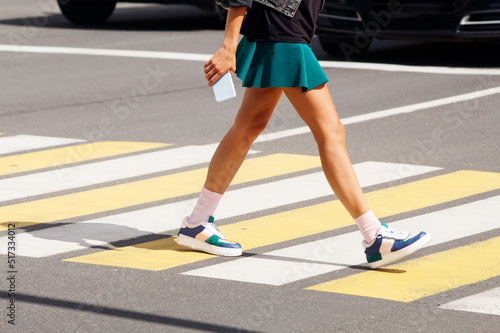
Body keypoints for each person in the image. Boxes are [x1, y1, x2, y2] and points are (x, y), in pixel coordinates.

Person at [175, 0, 431, 268]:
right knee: (330, 132)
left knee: (249, 126)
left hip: (283, 28)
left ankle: (197, 222)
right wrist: (228, 46)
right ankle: (374, 236)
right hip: (283, 29)